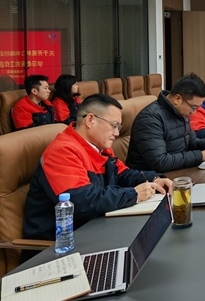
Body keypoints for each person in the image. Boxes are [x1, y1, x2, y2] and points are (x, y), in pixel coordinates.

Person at [22, 94, 172, 248]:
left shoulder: (100, 148)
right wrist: (133, 194)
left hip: (98, 230)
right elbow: (81, 201)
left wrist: (154, 179)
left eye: (118, 127)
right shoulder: (62, 151)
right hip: (61, 246)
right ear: (90, 120)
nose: (117, 133)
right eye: (114, 125)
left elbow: (123, 174)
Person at [126, 73, 205, 172]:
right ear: (177, 99)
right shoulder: (150, 119)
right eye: (193, 107)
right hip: (152, 179)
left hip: (178, 170)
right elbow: (160, 162)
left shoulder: (181, 112)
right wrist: (201, 155)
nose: (194, 112)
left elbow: (191, 142)